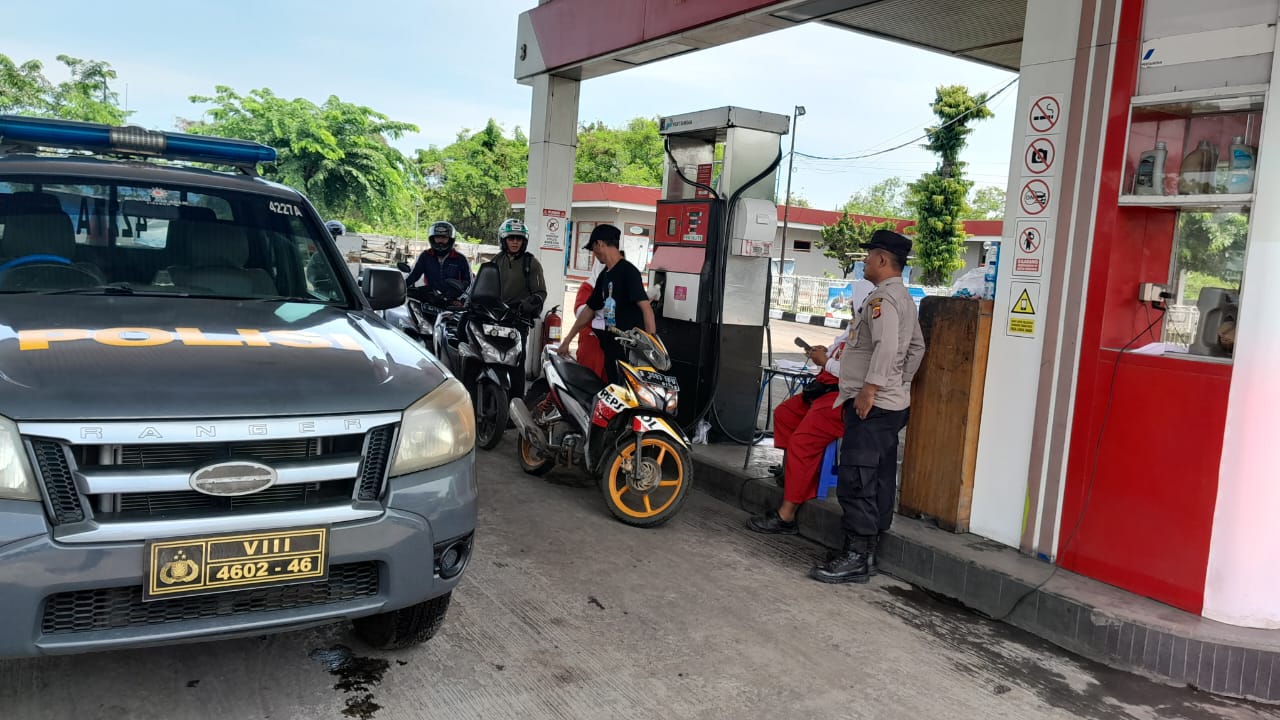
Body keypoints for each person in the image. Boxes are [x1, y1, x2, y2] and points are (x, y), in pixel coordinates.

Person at [810, 229, 925, 584]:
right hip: (891, 403)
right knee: (877, 476)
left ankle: (857, 556)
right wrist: (899, 382)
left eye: (869, 255)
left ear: (882, 259)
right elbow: (917, 348)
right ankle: (866, 551)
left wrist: (872, 388)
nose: (864, 261)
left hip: (873, 405)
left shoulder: (882, 300)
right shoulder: (903, 297)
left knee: (857, 477)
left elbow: (886, 347)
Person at [744, 326, 850, 536]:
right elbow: (840, 351)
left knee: (801, 443)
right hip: (824, 388)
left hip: (843, 397)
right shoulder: (855, 324)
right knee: (785, 414)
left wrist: (826, 362)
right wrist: (825, 352)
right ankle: (793, 474)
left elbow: (857, 372)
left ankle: (787, 515)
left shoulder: (872, 326)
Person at [558, 224, 656, 385]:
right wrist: (568, 340)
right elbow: (589, 310)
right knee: (614, 390)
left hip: (630, 352)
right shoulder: (604, 275)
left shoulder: (629, 272)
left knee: (630, 393)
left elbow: (646, 308)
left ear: (599, 244)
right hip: (611, 350)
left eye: (593, 248)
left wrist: (651, 347)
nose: (594, 254)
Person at [491, 218, 547, 317]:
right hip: (495, 313)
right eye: (511, 238)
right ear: (503, 240)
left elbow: (541, 293)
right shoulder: (496, 260)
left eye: (519, 239)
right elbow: (484, 284)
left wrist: (529, 304)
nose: (515, 242)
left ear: (523, 241)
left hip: (519, 316)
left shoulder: (531, 263)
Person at [404, 221, 471, 300]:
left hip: (453, 301)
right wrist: (401, 287)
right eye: (437, 237)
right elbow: (414, 276)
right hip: (431, 298)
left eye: (444, 238)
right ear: (432, 238)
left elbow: (468, 283)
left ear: (450, 239)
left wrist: (461, 299)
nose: (440, 241)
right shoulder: (425, 256)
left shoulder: (460, 259)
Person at [573, 258, 608, 380]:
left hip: (610, 342)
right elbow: (579, 312)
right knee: (589, 380)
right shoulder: (588, 286)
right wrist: (599, 307)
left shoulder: (618, 287)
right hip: (591, 341)